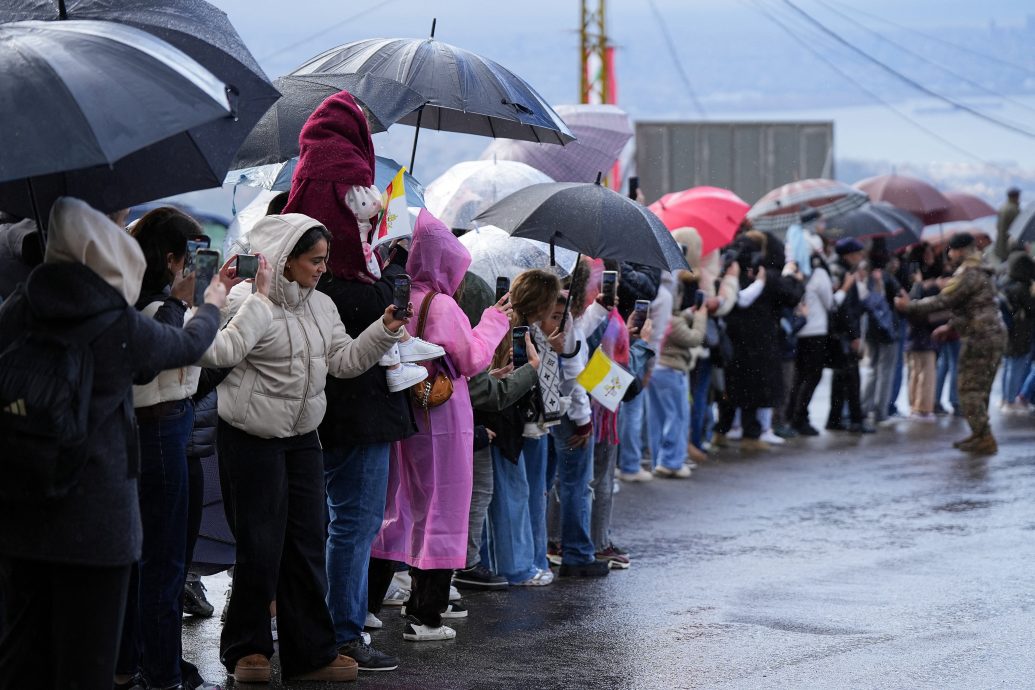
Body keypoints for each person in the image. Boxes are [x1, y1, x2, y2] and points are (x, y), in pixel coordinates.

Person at [0, 197, 226, 690]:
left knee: (21, 654)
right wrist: (210, 304)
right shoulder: (114, 320)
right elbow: (185, 346)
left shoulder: (18, 306)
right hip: (97, 520)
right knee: (87, 663)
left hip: (21, 509)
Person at [209, 213, 409, 683]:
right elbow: (222, 353)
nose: (322, 269)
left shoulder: (322, 305)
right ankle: (247, 649)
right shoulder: (245, 300)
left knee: (306, 545)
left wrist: (383, 329)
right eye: (314, 260)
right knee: (259, 547)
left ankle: (311, 654)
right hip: (249, 437)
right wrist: (258, 300)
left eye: (325, 260)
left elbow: (343, 362)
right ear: (285, 259)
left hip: (302, 439)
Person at [116, 207, 269, 690]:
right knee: (163, 564)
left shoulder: (149, 303)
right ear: (171, 260)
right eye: (192, 258)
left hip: (161, 430)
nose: (196, 268)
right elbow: (209, 350)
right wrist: (254, 300)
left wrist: (211, 297)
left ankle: (131, 664)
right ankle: (162, 673)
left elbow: (204, 357)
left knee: (147, 561)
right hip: (161, 434)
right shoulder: (156, 311)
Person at [370, 210, 512, 642]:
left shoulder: (400, 295)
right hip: (443, 415)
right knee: (443, 508)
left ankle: (365, 608)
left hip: (404, 410)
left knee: (398, 507)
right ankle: (425, 614)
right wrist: (494, 321)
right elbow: (471, 359)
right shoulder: (443, 304)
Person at [281, 90, 440, 393]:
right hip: (351, 254)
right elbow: (367, 205)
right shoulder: (345, 165)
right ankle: (397, 357)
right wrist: (383, 201)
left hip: (326, 252)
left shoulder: (310, 164)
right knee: (380, 298)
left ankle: (400, 351)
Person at [895, 232, 1007, 454]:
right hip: (990, 334)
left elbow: (944, 300)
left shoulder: (969, 272)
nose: (949, 255)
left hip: (980, 337)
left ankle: (984, 437)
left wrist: (910, 306)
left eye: (951, 250)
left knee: (968, 388)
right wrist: (950, 327)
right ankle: (980, 434)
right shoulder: (982, 268)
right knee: (980, 388)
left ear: (961, 250)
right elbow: (971, 306)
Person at [545, 260, 610, 578]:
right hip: (569, 411)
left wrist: (599, 310)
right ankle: (578, 553)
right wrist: (583, 420)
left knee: (550, 483)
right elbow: (573, 374)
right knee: (575, 484)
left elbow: (578, 339)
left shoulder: (554, 311)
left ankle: (547, 549)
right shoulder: (565, 315)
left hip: (550, 407)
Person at [826, 238, 873, 434]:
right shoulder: (843, 273)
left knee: (841, 378)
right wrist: (854, 335)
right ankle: (855, 419)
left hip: (840, 332)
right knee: (852, 378)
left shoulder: (841, 270)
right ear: (849, 255)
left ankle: (835, 418)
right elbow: (845, 308)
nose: (861, 257)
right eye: (858, 253)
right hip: (844, 333)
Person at [998, 250, 1035, 411]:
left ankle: (1005, 399)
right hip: (1021, 331)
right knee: (1016, 366)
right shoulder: (1022, 287)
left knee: (1008, 365)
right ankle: (1011, 400)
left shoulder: (1005, 283)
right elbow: (1031, 309)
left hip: (1008, 330)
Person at [995, 188, 1021, 263]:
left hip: (1000, 247)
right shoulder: (1014, 209)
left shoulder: (1002, 208)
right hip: (1010, 248)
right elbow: (1019, 228)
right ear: (1016, 197)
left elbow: (997, 226)